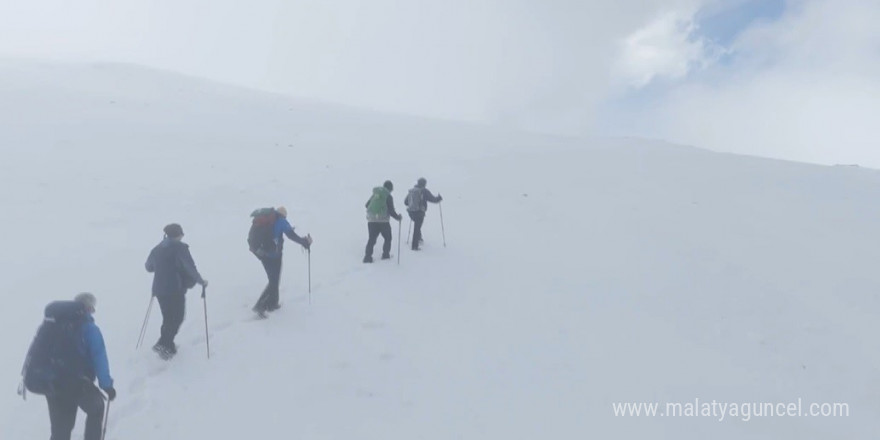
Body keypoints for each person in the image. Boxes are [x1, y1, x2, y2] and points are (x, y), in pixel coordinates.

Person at [45, 293, 116, 440]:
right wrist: (107, 385)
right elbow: (99, 357)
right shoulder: (90, 329)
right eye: (92, 308)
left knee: (60, 429)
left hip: (52, 383)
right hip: (77, 383)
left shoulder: (54, 324)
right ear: (88, 308)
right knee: (97, 408)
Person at [145, 223, 207, 359]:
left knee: (168, 318)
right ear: (178, 234)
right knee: (177, 317)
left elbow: (149, 267)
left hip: (159, 289)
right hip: (174, 288)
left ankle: (167, 345)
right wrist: (200, 281)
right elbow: (189, 266)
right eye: (181, 234)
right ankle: (164, 344)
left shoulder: (157, 248)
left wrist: (162, 267)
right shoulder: (180, 248)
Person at [252, 206, 312, 315]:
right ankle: (260, 306)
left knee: (274, 280)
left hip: (264, 255)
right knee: (273, 282)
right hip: (274, 256)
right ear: (283, 215)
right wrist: (304, 242)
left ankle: (273, 303)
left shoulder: (268, 221)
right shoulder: (281, 221)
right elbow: (291, 235)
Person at [364, 180, 403, 263]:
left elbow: (367, 205)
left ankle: (367, 257)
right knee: (388, 238)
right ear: (390, 189)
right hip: (383, 221)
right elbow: (391, 211)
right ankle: (385, 255)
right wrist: (398, 218)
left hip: (371, 220)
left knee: (371, 239)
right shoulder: (388, 196)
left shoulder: (375, 194)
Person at [404, 177, 442, 251]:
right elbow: (433, 200)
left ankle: (419, 238)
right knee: (417, 228)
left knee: (417, 226)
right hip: (420, 212)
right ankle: (414, 246)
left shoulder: (412, 191)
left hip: (411, 212)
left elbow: (405, 202)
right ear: (424, 184)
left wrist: (412, 205)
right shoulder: (424, 191)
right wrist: (439, 198)